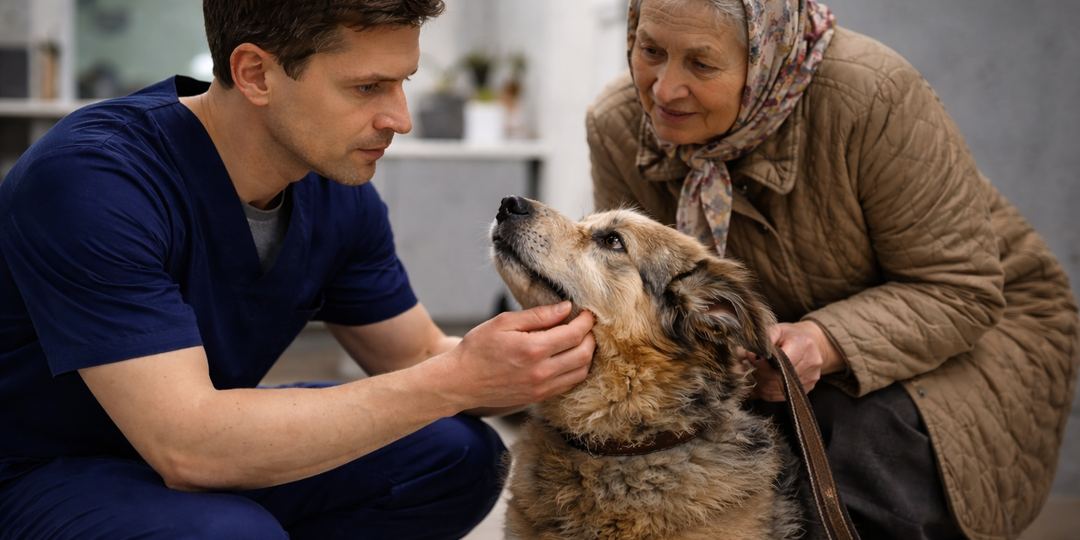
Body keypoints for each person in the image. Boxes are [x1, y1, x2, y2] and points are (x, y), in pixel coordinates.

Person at [0, 1, 596, 539]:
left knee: (456, 455)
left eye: (402, 83)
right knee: (229, 533)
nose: (400, 118)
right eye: (367, 87)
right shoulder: (93, 181)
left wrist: (547, 358)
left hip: (190, 451)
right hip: (39, 471)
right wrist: (458, 379)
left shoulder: (332, 186)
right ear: (256, 74)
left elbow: (415, 358)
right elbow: (188, 447)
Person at [586, 0, 1079, 539]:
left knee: (847, 452)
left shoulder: (873, 97)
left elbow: (963, 289)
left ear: (763, 53)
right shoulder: (619, 123)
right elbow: (645, 303)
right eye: (651, 50)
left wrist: (822, 341)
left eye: (701, 64)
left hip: (981, 328)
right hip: (774, 345)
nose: (663, 89)